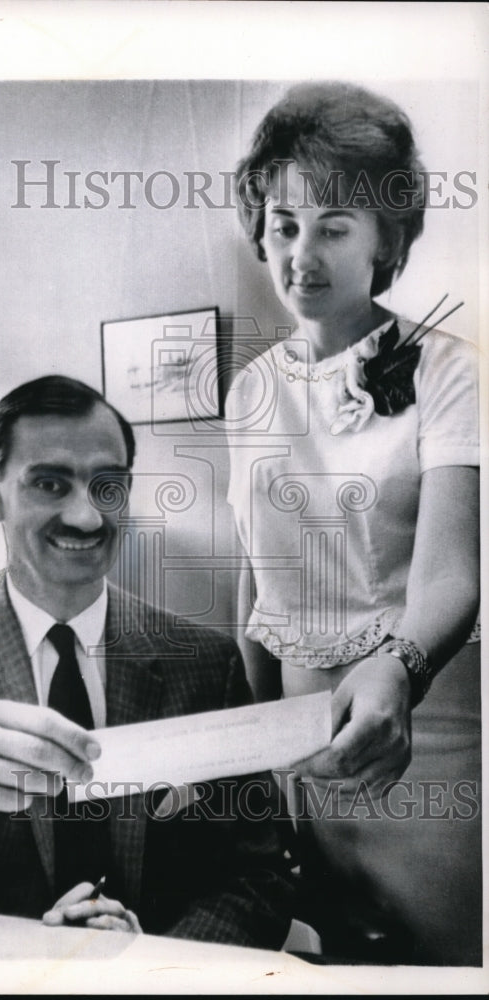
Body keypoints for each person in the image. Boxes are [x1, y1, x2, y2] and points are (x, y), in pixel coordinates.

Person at [0, 374, 296, 948]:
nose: (87, 517)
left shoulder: (208, 664)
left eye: (108, 486)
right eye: (50, 484)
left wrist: (155, 965)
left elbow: (260, 874)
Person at [226, 82, 481, 964]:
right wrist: (250, 748)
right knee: (328, 958)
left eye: (333, 228)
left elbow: (452, 576)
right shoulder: (250, 389)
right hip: (298, 744)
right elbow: (256, 583)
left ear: (386, 240)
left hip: (422, 733)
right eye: (283, 225)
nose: (301, 254)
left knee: (438, 958)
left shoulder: (451, 369)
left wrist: (396, 671)